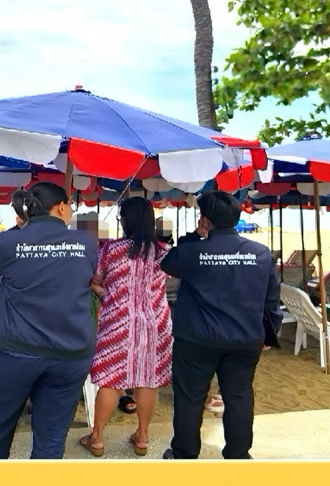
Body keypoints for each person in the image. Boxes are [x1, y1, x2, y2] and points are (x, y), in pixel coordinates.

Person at [0, 181, 98, 459]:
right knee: (51, 437)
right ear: (62, 207)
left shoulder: (11, 240)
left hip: (17, 350)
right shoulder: (86, 243)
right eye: (70, 206)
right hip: (71, 354)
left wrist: (22, 230)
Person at [158, 190, 281, 460]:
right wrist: (271, 333)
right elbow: (271, 299)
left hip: (197, 339)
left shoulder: (193, 251)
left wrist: (191, 237)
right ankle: (238, 455)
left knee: (190, 397)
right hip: (245, 339)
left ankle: (185, 454)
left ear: (205, 219)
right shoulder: (261, 253)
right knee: (238, 397)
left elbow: (168, 263)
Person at [78, 196, 173, 457]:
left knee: (110, 379)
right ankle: (142, 437)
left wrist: (104, 292)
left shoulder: (111, 249)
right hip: (155, 324)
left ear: (126, 220)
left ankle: (96, 438)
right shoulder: (163, 251)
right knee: (148, 379)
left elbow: (94, 281)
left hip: (117, 322)